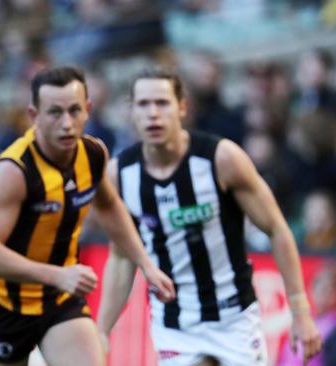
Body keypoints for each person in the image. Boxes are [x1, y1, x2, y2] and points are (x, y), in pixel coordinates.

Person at [97, 67, 322, 366]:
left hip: (234, 319)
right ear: (132, 112)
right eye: (143, 104)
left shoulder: (221, 159)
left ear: (182, 107)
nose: (153, 113)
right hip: (174, 325)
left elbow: (277, 229)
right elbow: (122, 255)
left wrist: (300, 312)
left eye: (162, 103)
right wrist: (101, 332)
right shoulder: (120, 174)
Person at [0, 65, 175, 366]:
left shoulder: (92, 154)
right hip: (4, 306)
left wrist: (146, 265)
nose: (67, 123)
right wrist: (58, 275)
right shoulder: (13, 170)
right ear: (34, 115)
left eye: (74, 110)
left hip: (59, 300)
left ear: (88, 110)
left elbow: (109, 206)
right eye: (54, 112)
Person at [278, 262, 336, 366]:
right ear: (311, 290)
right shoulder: (300, 319)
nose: (324, 294)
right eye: (321, 288)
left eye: (329, 290)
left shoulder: (333, 327)